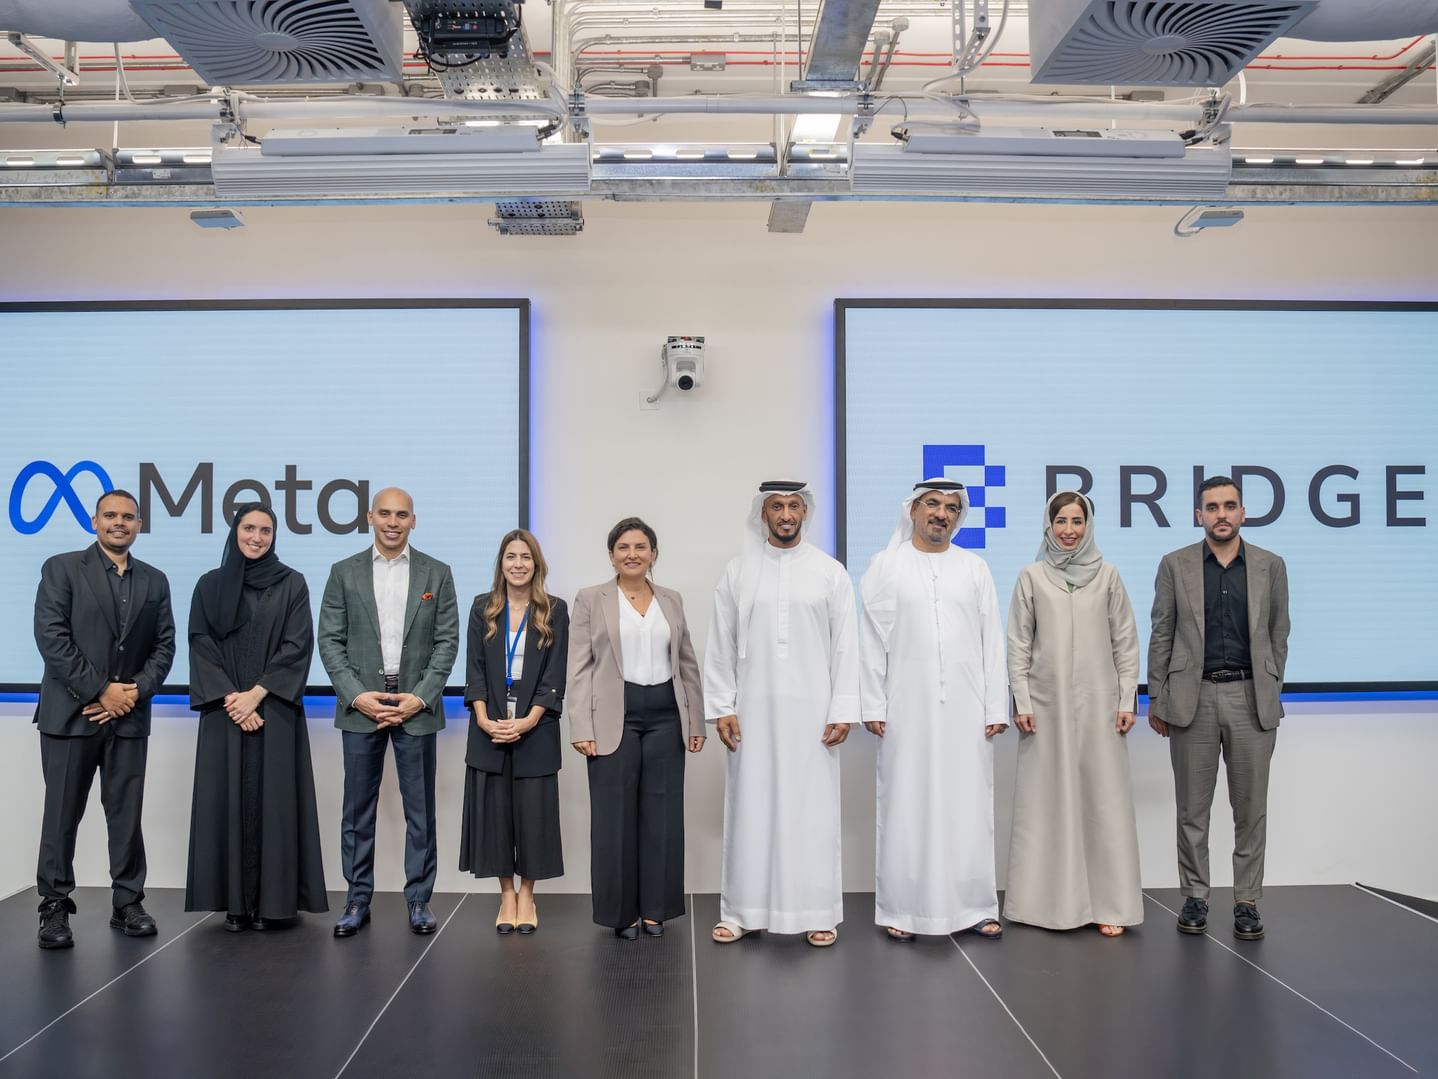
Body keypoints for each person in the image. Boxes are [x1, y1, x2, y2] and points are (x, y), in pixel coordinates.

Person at [705, 481, 859, 947]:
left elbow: (846, 645)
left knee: (813, 811)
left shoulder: (830, 572)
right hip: (752, 711)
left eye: (794, 506)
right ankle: (743, 912)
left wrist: (843, 708)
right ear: (763, 513)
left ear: (805, 513)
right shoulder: (738, 571)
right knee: (750, 808)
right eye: (777, 506)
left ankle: (818, 912)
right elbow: (721, 642)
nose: (786, 514)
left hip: (814, 714)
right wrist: (722, 705)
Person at [859, 479, 1007, 942]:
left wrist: (995, 705)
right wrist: (872, 701)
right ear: (913, 510)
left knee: (969, 805)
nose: (942, 514)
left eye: (951, 508)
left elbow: (991, 639)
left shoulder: (974, 567)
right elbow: (870, 641)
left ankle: (975, 906)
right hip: (906, 704)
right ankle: (903, 909)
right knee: (906, 803)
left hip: (968, 706)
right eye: (932, 504)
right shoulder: (885, 566)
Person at [32, 489, 176, 949]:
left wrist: (132, 693)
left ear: (139, 525)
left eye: (128, 517)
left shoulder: (155, 580)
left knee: (126, 815)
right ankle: (54, 906)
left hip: (128, 718)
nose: (119, 522)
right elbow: (52, 639)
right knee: (61, 816)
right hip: (70, 716)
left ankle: (128, 902)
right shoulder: (61, 568)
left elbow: (165, 646)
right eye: (110, 515)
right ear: (94, 522)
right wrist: (101, 690)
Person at [1149, 475, 1290, 941]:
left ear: (1243, 513)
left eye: (1229, 506)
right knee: (1193, 809)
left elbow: (1279, 633)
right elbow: (1162, 633)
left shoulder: (1271, 565)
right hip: (1193, 700)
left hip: (1251, 699)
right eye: (1212, 507)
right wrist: (1158, 696)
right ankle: (1195, 895)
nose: (1221, 514)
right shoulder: (1175, 564)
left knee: (1250, 810)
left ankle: (1247, 900)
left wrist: (1270, 685)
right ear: (1199, 515)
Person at [318, 487, 459, 938]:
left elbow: (447, 643)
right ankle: (357, 898)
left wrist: (421, 696)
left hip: (416, 705)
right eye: (385, 513)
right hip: (362, 706)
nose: (393, 522)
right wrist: (357, 695)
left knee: (420, 811)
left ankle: (419, 900)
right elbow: (330, 641)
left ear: (413, 520)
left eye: (401, 515)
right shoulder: (343, 572)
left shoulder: (437, 573)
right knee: (358, 811)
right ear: (369, 517)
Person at [1005, 491, 1142, 936]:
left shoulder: (1108, 576)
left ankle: (1110, 906)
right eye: (1060, 521)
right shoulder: (1031, 577)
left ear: (1088, 526)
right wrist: (1022, 700)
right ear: (1048, 525)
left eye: (1077, 521)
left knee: (1103, 803)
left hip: (1101, 707)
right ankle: (1043, 905)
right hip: (1045, 709)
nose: (1068, 530)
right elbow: (1018, 644)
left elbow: (1125, 642)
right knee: (1047, 802)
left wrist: (1126, 700)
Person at [186, 502, 328, 931]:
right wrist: (233, 699)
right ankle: (234, 903)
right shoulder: (209, 585)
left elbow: (297, 645)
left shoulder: (292, 583)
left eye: (265, 530)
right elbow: (200, 644)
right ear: (235, 531)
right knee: (226, 801)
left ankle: (273, 904)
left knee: (275, 805)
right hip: (225, 712)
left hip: (274, 711)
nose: (257, 537)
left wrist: (257, 694)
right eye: (249, 528)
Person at [569, 517, 705, 939]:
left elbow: (686, 662)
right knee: (614, 818)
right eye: (624, 547)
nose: (633, 554)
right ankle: (621, 914)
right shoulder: (590, 598)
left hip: (666, 714)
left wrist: (695, 719)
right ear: (611, 555)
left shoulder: (671, 599)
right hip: (614, 716)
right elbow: (578, 667)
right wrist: (580, 725)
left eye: (641, 547)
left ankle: (656, 910)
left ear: (653, 554)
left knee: (663, 815)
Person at [460, 529, 568, 935]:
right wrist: (483, 717)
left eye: (525, 557)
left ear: (536, 564)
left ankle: (527, 894)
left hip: (536, 725)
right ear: (501, 563)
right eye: (511, 556)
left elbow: (555, 674)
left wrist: (529, 720)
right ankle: (506, 894)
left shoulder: (554, 610)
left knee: (533, 815)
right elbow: (474, 669)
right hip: (489, 722)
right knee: (495, 814)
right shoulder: (482, 608)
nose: (518, 564)